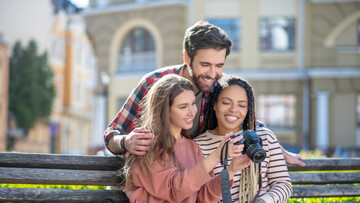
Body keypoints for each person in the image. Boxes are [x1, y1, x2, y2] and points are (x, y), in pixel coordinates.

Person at [104, 21, 304, 165]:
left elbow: (250, 121)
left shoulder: (220, 87)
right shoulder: (153, 83)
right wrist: (125, 141)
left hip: (199, 184)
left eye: (219, 65)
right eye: (205, 64)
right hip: (155, 180)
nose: (213, 74)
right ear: (187, 57)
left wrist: (280, 151)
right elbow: (112, 133)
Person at [124, 74, 251, 203]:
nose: (192, 112)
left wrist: (231, 170)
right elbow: (175, 190)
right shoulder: (148, 145)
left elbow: (201, 201)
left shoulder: (193, 147)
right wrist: (215, 157)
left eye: (193, 104)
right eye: (183, 106)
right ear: (164, 110)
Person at [194, 75, 303, 203]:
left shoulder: (264, 137)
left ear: (248, 109)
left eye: (242, 105)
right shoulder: (199, 146)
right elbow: (204, 201)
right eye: (226, 102)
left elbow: (283, 184)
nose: (234, 110)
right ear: (215, 104)